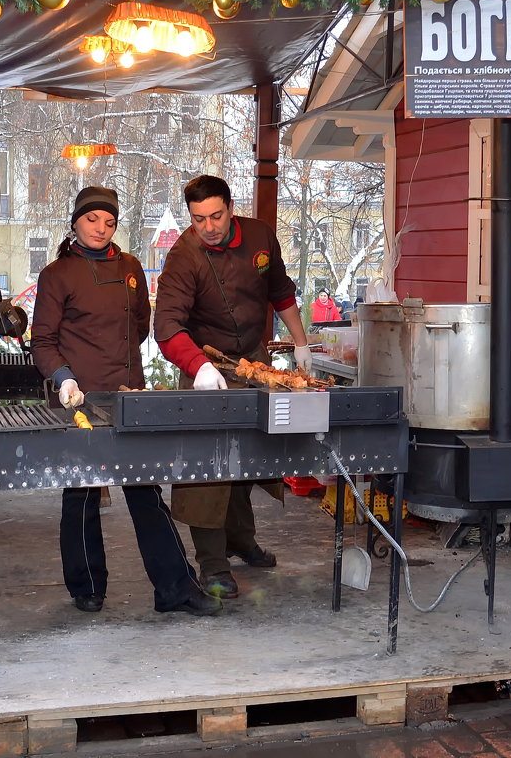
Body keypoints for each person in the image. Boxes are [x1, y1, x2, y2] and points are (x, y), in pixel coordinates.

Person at [31, 186, 221, 617]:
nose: (101, 228)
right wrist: (63, 378)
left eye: (109, 222)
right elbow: (41, 341)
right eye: (92, 220)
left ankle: (175, 588)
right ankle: (87, 586)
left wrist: (126, 374)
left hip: (128, 397)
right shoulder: (57, 274)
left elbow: (139, 325)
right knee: (81, 493)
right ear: (76, 222)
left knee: (145, 491)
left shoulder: (132, 267)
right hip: (78, 398)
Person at [154, 174, 313, 598]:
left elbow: (280, 292)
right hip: (203, 365)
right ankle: (212, 562)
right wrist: (200, 367)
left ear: (231, 206)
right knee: (208, 465)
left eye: (216, 215)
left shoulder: (260, 235)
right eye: (198, 218)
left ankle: (241, 540)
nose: (208, 226)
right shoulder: (183, 257)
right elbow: (166, 327)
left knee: (248, 455)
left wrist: (300, 344)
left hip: (254, 361)